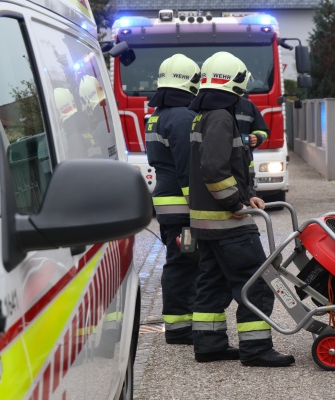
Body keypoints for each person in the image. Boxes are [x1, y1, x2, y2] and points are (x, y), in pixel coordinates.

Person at [187, 51, 295, 367]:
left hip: (207, 224)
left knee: (213, 284)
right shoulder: (221, 116)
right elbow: (215, 169)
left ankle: (209, 346)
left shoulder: (203, 115)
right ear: (234, 82)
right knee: (256, 282)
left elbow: (214, 168)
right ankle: (256, 349)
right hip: (227, 222)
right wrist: (236, 204)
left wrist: (248, 198)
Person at [144, 54, 201, 345]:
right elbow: (188, 167)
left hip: (169, 205)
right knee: (183, 265)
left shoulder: (158, 115)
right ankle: (181, 328)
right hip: (182, 207)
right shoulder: (182, 117)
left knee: (179, 262)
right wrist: (199, 205)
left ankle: (181, 324)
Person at [235, 93, 268, 192]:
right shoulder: (212, 105)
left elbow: (262, 130)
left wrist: (257, 137)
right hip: (220, 165)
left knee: (247, 200)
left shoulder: (247, 106)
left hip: (245, 166)